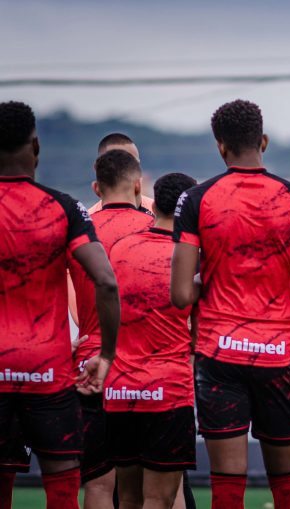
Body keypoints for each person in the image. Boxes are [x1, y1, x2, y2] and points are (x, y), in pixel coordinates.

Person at [170, 99, 290, 509]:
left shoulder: (195, 199)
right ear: (263, 140)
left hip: (219, 354)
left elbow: (181, 295)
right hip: (278, 356)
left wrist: (218, 273)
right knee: (289, 486)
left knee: (227, 487)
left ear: (220, 147)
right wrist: (277, 276)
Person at [0, 101, 120, 509]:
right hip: (47, 372)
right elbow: (105, 281)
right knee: (64, 490)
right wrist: (105, 354)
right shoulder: (64, 208)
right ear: (35, 147)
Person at [104, 173, 199, 509]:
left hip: (119, 389)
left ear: (154, 204)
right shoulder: (192, 256)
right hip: (168, 391)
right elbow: (199, 334)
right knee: (160, 499)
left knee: (126, 497)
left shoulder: (119, 248)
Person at [69, 149, 154, 508]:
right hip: (148, 367)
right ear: (138, 186)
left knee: (100, 486)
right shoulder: (154, 228)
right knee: (158, 488)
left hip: (91, 364)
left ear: (95, 187)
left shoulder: (78, 230)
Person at [89, 133, 154, 213]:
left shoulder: (161, 215)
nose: (123, 170)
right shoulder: (87, 221)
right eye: (115, 163)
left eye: (132, 163)